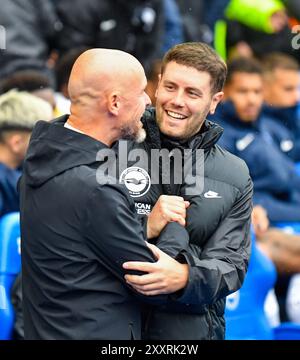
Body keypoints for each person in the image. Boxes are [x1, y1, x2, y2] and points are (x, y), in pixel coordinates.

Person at [19, 48, 193, 340]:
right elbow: (152, 284)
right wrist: (177, 225)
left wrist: (145, 226)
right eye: (140, 92)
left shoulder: (41, 163)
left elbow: (81, 247)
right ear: (114, 102)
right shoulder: (94, 189)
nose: (149, 100)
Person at [121, 42, 253, 340]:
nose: (177, 101)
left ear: (215, 101)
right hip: (115, 325)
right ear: (156, 87)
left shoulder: (235, 173)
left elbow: (232, 264)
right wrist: (145, 227)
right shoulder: (114, 145)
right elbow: (79, 237)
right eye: (170, 87)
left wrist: (184, 277)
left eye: (192, 93)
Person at [212, 57, 300, 223]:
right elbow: (226, 193)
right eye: (243, 91)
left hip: (289, 197)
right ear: (224, 93)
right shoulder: (216, 135)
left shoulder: (267, 124)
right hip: (261, 210)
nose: (251, 100)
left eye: (257, 92)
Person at [261, 53, 300, 161]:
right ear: (264, 88)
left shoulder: (292, 112)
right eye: (288, 89)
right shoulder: (258, 125)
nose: (297, 97)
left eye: (297, 89)